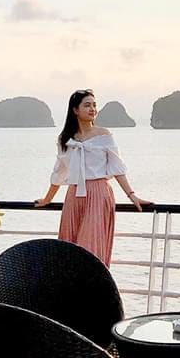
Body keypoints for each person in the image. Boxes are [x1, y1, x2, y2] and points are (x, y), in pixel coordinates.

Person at [35, 89, 151, 267]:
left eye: (94, 105)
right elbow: (59, 172)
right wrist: (48, 199)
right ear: (75, 110)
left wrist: (132, 195)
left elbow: (117, 167)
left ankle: (92, 292)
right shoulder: (65, 139)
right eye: (87, 105)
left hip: (98, 193)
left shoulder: (104, 135)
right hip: (73, 195)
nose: (92, 109)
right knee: (69, 247)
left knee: (90, 248)